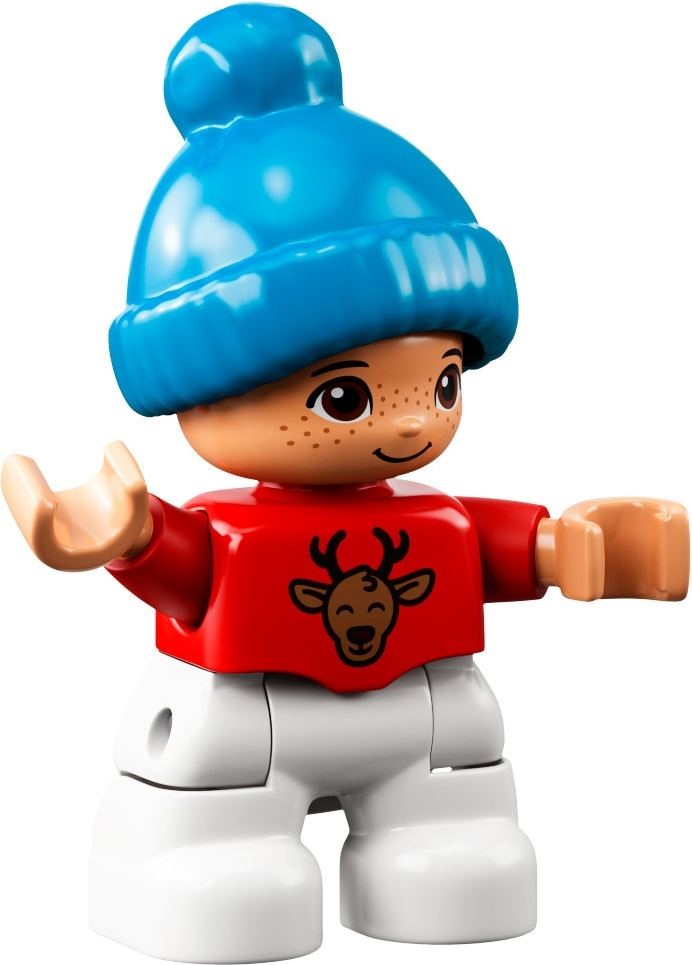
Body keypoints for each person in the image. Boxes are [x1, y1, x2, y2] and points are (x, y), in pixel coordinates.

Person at [2, 5, 688, 963]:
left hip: (426, 719)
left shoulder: (434, 516)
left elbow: (490, 547)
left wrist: (569, 545)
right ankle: (194, 861)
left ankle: (435, 845)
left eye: (442, 383)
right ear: (201, 392)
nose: (410, 421)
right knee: (227, 870)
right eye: (345, 395)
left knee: (456, 844)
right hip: (246, 727)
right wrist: (126, 537)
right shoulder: (230, 531)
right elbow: (185, 567)